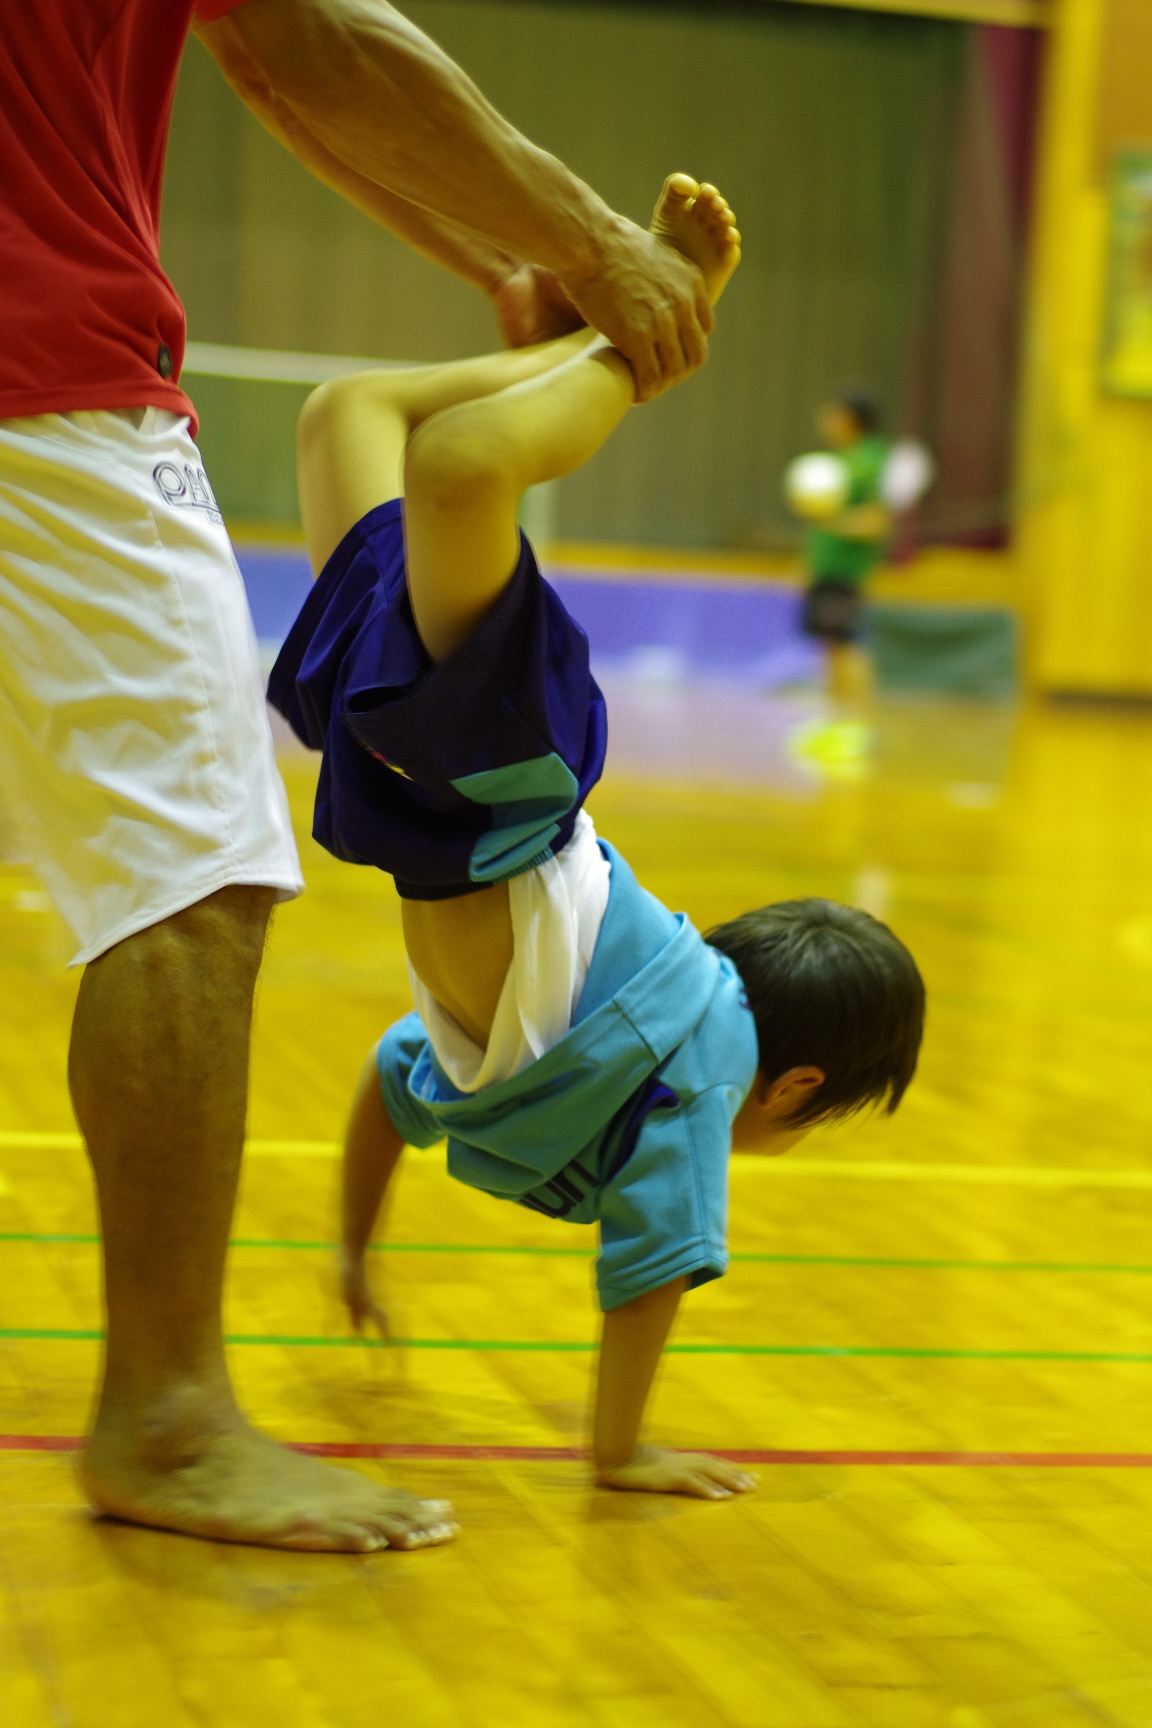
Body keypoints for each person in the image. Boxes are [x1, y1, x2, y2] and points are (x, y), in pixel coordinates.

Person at [0, 0, 715, 1553]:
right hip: (36, 371)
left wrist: (529, 285)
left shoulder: (415, 668)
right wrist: (601, 272)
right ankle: (169, 1418)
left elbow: (364, 405)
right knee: (187, 880)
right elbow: (297, 34)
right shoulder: (496, 755)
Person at [268, 178, 927, 1498]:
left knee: (349, 414)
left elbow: (389, 1089)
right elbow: (655, 1266)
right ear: (792, 1085)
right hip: (502, 787)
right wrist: (622, 1454)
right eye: (809, 1121)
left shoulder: (519, 1083)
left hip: (402, 781)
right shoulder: (709, 1065)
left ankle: (562, 354)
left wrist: (352, 1248)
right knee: (458, 462)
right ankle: (648, 328)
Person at [799, 393, 892, 710]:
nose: (825, 420)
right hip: (828, 566)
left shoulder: (870, 461)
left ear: (850, 419)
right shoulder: (843, 461)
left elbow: (878, 520)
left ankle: (854, 718)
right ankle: (836, 716)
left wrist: (832, 522)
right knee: (832, 643)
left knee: (848, 643)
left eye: (832, 413)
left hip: (846, 569)